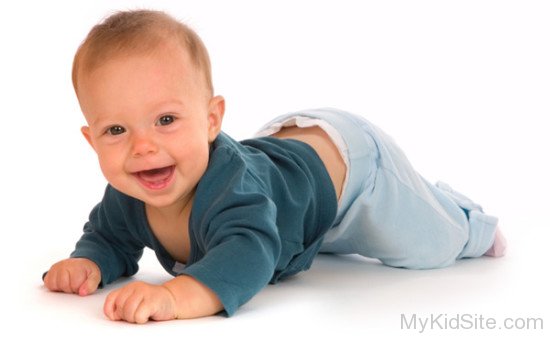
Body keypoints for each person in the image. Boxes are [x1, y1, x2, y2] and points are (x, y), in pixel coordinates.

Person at [42, 9, 506, 324]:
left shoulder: (235, 192)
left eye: (166, 120)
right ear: (90, 138)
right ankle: (313, 233)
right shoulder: (129, 193)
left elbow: (247, 254)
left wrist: (173, 296)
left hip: (351, 168)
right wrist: (89, 262)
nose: (143, 147)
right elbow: (109, 236)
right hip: (281, 159)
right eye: (117, 131)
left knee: (425, 247)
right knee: (306, 229)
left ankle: (467, 221)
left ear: (211, 120)